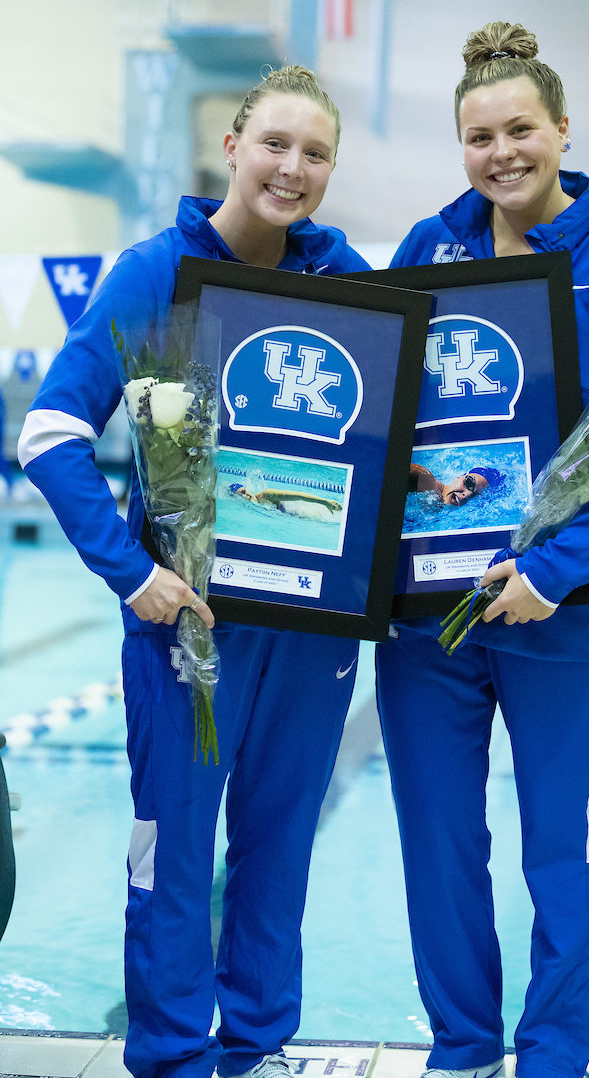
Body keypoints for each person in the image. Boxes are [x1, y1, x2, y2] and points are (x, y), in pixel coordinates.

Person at [18, 66, 369, 1078]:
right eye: (274, 144)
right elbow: (48, 433)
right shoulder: (150, 274)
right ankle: (171, 1055)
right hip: (186, 625)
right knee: (170, 855)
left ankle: (258, 1045)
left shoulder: (347, 290)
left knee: (279, 849)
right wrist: (132, 575)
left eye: (314, 154)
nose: (291, 169)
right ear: (231, 146)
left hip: (308, 635)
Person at [376, 23, 589, 1078]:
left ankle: (551, 1054)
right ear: (458, 145)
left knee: (570, 844)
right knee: (438, 842)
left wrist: (553, 573)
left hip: (557, 614)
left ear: (560, 129)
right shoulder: (429, 247)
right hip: (428, 613)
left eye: (519, 130)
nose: (500, 152)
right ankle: (462, 1046)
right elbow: (390, 412)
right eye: (478, 137)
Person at [229, 482, 343, 519]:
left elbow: (300, 495)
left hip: (308, 514)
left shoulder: (267, 495)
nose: (245, 496)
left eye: (244, 491)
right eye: (240, 496)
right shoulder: (253, 507)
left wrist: (325, 502)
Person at [408, 463, 501, 505]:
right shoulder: (426, 480)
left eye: (475, 495)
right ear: (457, 478)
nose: (467, 494)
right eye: (469, 483)